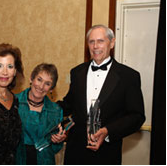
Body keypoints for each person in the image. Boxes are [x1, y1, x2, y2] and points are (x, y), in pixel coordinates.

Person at [57, 24, 146, 164]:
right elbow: (69, 105)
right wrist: (40, 104)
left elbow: (137, 116)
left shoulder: (128, 76)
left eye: (100, 41)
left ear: (112, 43)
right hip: (75, 153)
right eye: (91, 42)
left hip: (107, 153)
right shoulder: (77, 73)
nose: (95, 46)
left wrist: (107, 131)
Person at [15, 63, 67, 165]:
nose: (41, 86)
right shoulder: (13, 103)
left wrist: (58, 140)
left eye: (47, 84)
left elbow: (55, 148)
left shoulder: (56, 111)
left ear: (51, 89)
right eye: (39, 79)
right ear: (31, 79)